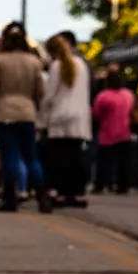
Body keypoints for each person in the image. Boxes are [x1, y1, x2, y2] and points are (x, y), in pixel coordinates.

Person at [0, 22, 50, 213]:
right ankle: (41, 196)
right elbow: (40, 90)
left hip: (4, 112)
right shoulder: (33, 62)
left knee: (9, 155)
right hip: (27, 111)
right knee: (31, 157)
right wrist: (34, 105)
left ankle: (9, 197)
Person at [42, 34, 92, 208]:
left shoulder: (56, 66)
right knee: (76, 157)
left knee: (59, 159)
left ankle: (62, 193)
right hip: (79, 117)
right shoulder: (81, 65)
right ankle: (78, 193)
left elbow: (50, 94)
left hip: (60, 117)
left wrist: (43, 116)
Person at [91, 70, 135, 194]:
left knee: (104, 161)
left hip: (107, 133)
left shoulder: (103, 96)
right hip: (125, 131)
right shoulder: (128, 95)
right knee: (123, 161)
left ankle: (101, 184)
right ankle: (123, 185)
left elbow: (96, 114)